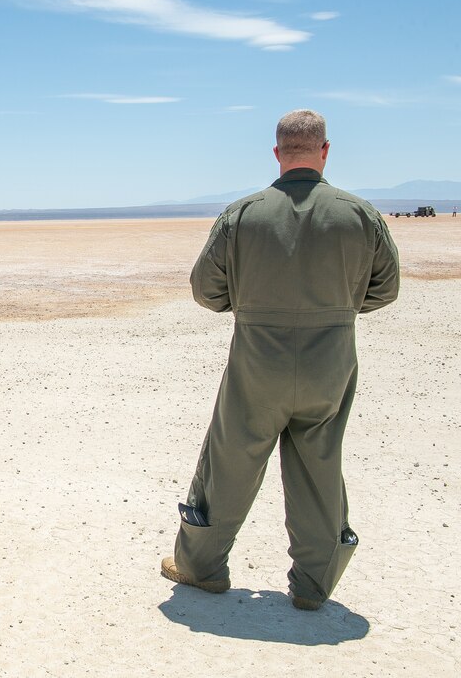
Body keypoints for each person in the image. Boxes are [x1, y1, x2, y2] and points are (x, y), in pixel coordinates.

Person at [160, 109, 400, 611]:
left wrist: (248, 305)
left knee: (229, 461)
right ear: (326, 150)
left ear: (277, 154)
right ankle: (314, 586)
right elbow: (385, 288)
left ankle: (201, 567)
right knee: (319, 468)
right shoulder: (360, 215)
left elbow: (206, 290)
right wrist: (336, 310)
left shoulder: (243, 213)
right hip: (330, 364)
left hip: (257, 362)